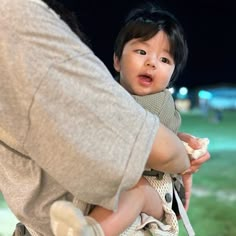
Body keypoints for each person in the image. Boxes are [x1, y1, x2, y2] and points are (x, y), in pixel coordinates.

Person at [0, 0, 209, 235]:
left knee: (134, 192)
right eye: (141, 52)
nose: (151, 62)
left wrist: (188, 148)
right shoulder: (106, 94)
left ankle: (91, 231)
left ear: (171, 76)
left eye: (165, 60)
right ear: (117, 61)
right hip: (120, 185)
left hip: (155, 189)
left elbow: (159, 141)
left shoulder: (158, 102)